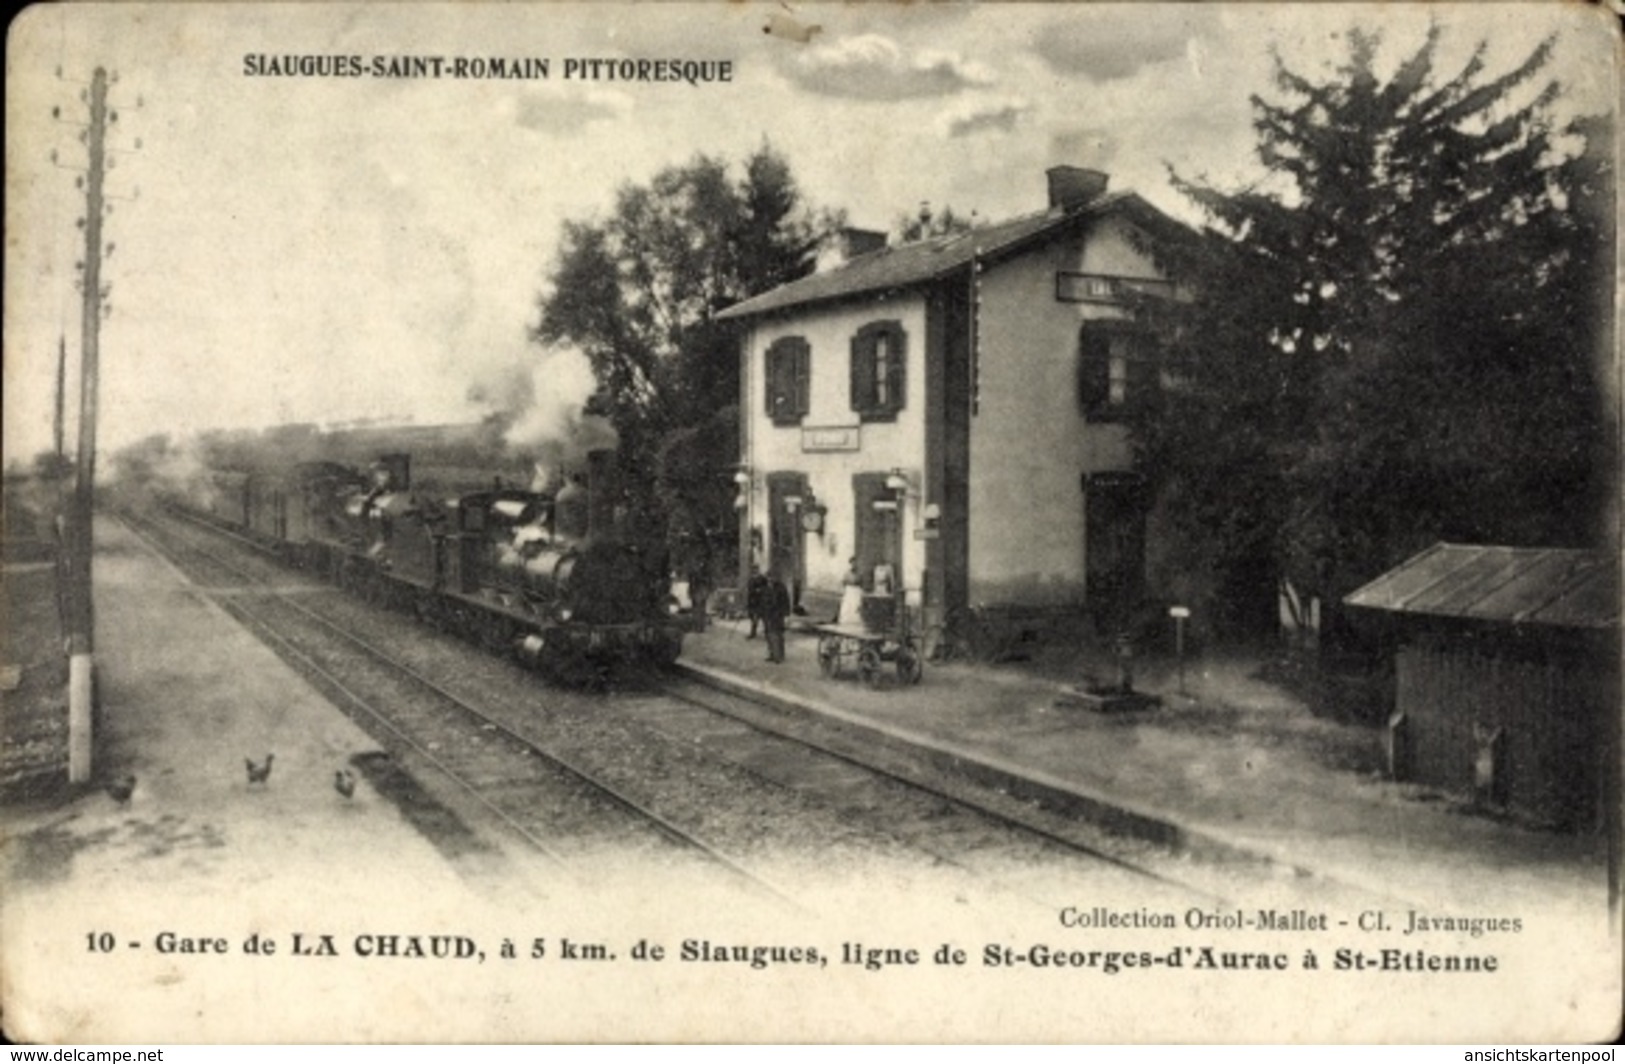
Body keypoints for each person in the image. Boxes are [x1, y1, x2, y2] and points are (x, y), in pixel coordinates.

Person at [762, 568, 791, 664]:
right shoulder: (766, 587)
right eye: (768, 577)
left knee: (777, 635)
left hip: (777, 615)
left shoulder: (781, 588)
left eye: (771, 577)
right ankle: (771, 654)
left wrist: (786, 615)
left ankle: (779, 656)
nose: (770, 580)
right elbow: (763, 601)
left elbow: (786, 602)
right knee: (768, 635)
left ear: (776, 578)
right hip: (767, 615)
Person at [838, 556, 864, 626]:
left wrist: (861, 592)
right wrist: (844, 591)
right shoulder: (847, 573)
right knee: (847, 607)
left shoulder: (860, 574)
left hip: (857, 592)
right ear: (850, 564)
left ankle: (855, 623)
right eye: (852, 563)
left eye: (856, 563)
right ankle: (846, 623)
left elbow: (861, 583)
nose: (854, 564)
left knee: (856, 607)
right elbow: (843, 583)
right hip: (849, 592)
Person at [745, 566, 770, 639]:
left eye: (756, 569)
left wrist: (760, 590)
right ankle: (753, 633)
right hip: (753, 602)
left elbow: (766, 588)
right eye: (753, 569)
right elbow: (749, 589)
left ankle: (767, 635)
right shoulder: (751, 579)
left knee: (764, 618)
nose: (755, 570)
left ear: (758, 570)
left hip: (761, 601)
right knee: (753, 618)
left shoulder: (762, 578)